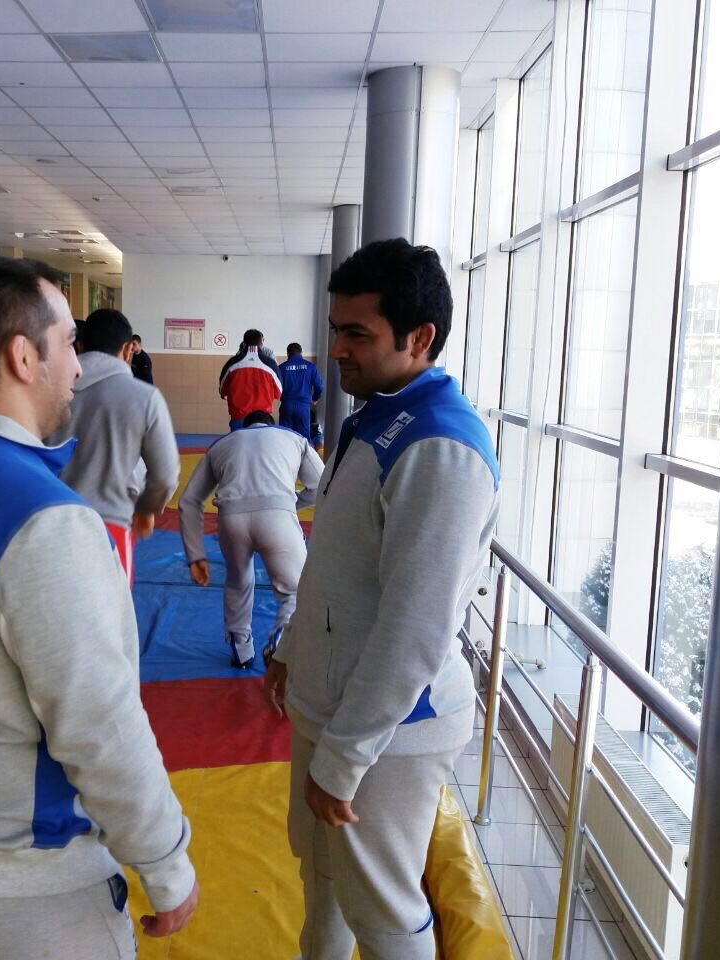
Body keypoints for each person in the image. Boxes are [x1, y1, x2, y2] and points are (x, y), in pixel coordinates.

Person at [0, 256, 197, 959]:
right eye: (69, 343)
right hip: (13, 875)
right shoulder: (44, 523)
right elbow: (99, 722)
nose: (78, 367)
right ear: (23, 357)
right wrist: (165, 859)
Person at [264, 239, 500, 960]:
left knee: (383, 910)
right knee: (324, 882)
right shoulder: (374, 419)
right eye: (336, 329)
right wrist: (291, 648)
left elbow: (415, 629)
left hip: (391, 729)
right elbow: (333, 567)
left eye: (357, 333)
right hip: (332, 705)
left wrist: (344, 758)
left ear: (419, 337)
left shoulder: (440, 449)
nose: (337, 349)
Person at [180, 410, 323, 670]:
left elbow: (189, 501)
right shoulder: (294, 438)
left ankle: (241, 647)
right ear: (271, 425)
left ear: (243, 427)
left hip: (231, 520)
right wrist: (289, 505)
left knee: (238, 582)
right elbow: (320, 486)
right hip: (277, 517)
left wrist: (195, 554)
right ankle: (281, 639)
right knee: (295, 590)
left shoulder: (221, 444)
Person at [55, 308, 178, 583]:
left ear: (80, 345)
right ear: (127, 349)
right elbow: (165, 476)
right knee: (110, 608)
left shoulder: (49, 390)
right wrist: (146, 509)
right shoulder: (144, 397)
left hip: (47, 522)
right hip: (110, 524)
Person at [218, 329, 282, 431]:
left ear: (244, 342)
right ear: (261, 342)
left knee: (239, 442)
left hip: (238, 417)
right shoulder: (270, 364)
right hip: (263, 419)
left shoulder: (232, 363)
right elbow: (278, 393)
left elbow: (222, 391)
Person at [278, 342, 325, 441]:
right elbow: (319, 386)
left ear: (288, 354)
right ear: (301, 353)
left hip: (286, 406)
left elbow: (276, 387)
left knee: (284, 438)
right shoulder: (310, 367)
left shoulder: (281, 368)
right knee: (304, 439)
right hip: (303, 407)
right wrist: (315, 398)